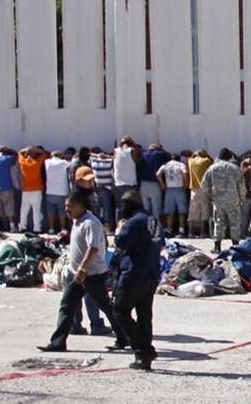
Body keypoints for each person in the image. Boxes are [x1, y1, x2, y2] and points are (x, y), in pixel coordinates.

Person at [37, 192, 119, 352]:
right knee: (66, 306)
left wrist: (82, 268)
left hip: (91, 274)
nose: (66, 209)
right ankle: (58, 342)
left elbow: (93, 248)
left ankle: (124, 336)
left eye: (70, 206)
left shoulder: (90, 223)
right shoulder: (76, 221)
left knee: (106, 306)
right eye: (66, 206)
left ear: (81, 206)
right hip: (75, 274)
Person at [110, 189, 164, 371]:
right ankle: (143, 358)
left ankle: (144, 349)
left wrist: (119, 228)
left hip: (134, 273)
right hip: (151, 272)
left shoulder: (133, 222)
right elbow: (160, 242)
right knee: (144, 316)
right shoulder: (153, 220)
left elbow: (120, 242)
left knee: (120, 311)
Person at [204, 149, 244, 254]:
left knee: (219, 222)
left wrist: (211, 195)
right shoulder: (235, 168)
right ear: (229, 157)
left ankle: (217, 247)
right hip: (233, 199)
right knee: (235, 222)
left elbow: (204, 184)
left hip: (218, 200)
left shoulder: (212, 168)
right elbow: (241, 185)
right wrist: (242, 197)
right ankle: (235, 246)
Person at [157, 153, 189, 237]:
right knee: (181, 211)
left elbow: (158, 174)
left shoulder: (166, 165)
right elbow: (185, 172)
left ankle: (169, 230)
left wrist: (162, 184)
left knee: (169, 211)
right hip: (179, 188)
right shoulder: (181, 164)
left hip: (169, 189)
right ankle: (181, 230)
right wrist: (186, 182)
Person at [18, 147, 48, 232]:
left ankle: (22, 226)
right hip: (37, 189)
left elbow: (20, 152)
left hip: (26, 190)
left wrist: (27, 149)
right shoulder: (37, 162)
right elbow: (45, 154)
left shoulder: (23, 162)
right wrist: (35, 149)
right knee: (36, 210)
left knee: (24, 209)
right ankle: (37, 228)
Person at [0, 147, 20, 232]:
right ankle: (12, 226)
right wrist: (7, 149)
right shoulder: (7, 159)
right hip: (7, 187)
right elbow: (16, 155)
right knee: (9, 207)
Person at [139, 143, 170, 221]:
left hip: (143, 183)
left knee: (145, 207)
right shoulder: (160, 154)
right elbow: (168, 155)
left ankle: (146, 224)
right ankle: (156, 226)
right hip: (155, 183)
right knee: (156, 207)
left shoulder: (143, 154)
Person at [187, 149, 213, 239]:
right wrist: (206, 154)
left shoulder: (190, 161)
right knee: (204, 211)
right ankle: (202, 233)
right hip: (203, 189)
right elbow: (212, 161)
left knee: (192, 212)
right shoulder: (206, 161)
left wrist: (195, 154)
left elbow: (190, 157)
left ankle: (190, 232)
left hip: (193, 189)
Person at [44, 150, 73, 234]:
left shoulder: (47, 162)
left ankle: (51, 228)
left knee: (50, 211)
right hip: (61, 191)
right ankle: (63, 228)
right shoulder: (64, 163)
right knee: (61, 211)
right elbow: (70, 163)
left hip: (49, 191)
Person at [89, 148, 116, 234]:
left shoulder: (94, 161)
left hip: (97, 188)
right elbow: (115, 157)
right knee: (107, 209)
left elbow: (89, 154)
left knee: (97, 209)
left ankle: (97, 228)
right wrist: (107, 155)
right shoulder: (109, 161)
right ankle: (109, 228)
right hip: (107, 188)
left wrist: (97, 155)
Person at [112, 137, 140, 209]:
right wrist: (134, 143)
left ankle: (119, 220)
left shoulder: (115, 151)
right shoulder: (132, 151)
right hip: (130, 185)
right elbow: (139, 154)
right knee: (132, 208)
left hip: (118, 185)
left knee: (119, 208)